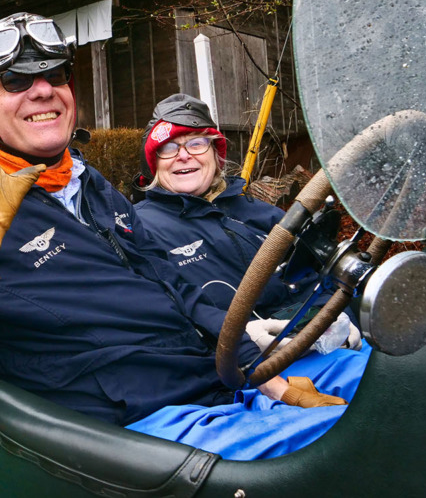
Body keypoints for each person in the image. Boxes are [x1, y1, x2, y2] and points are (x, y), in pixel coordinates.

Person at [0, 13, 360, 460]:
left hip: (219, 383)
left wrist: (267, 376)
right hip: (145, 429)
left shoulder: (86, 182)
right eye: (14, 80)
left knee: (401, 377)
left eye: (55, 74)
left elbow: (176, 284)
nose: (42, 90)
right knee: (364, 443)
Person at [132, 94, 363, 353]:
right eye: (168, 148)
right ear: (153, 164)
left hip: (325, 347)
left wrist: (340, 319)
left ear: (216, 154)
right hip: (244, 372)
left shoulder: (258, 212)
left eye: (196, 143)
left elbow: (317, 275)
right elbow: (161, 319)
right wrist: (243, 344)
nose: (183, 156)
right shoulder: (139, 228)